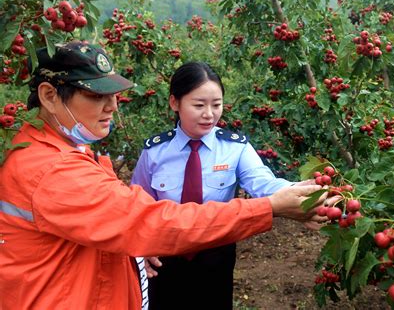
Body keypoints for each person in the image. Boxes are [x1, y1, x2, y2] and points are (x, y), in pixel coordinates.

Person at [0, 41, 334, 310]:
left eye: (114, 95)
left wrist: (295, 194)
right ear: (49, 95)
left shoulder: (60, 149)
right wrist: (270, 208)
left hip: (206, 255)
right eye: (96, 95)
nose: (113, 106)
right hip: (156, 257)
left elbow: (262, 182)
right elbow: (145, 216)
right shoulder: (55, 169)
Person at [131, 62, 325, 309]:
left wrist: (303, 191)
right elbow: (138, 204)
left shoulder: (235, 148)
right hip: (165, 257)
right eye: (199, 105)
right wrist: (142, 247)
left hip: (216, 255)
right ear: (174, 103)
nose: (209, 114)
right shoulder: (155, 152)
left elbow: (263, 183)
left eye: (216, 104)